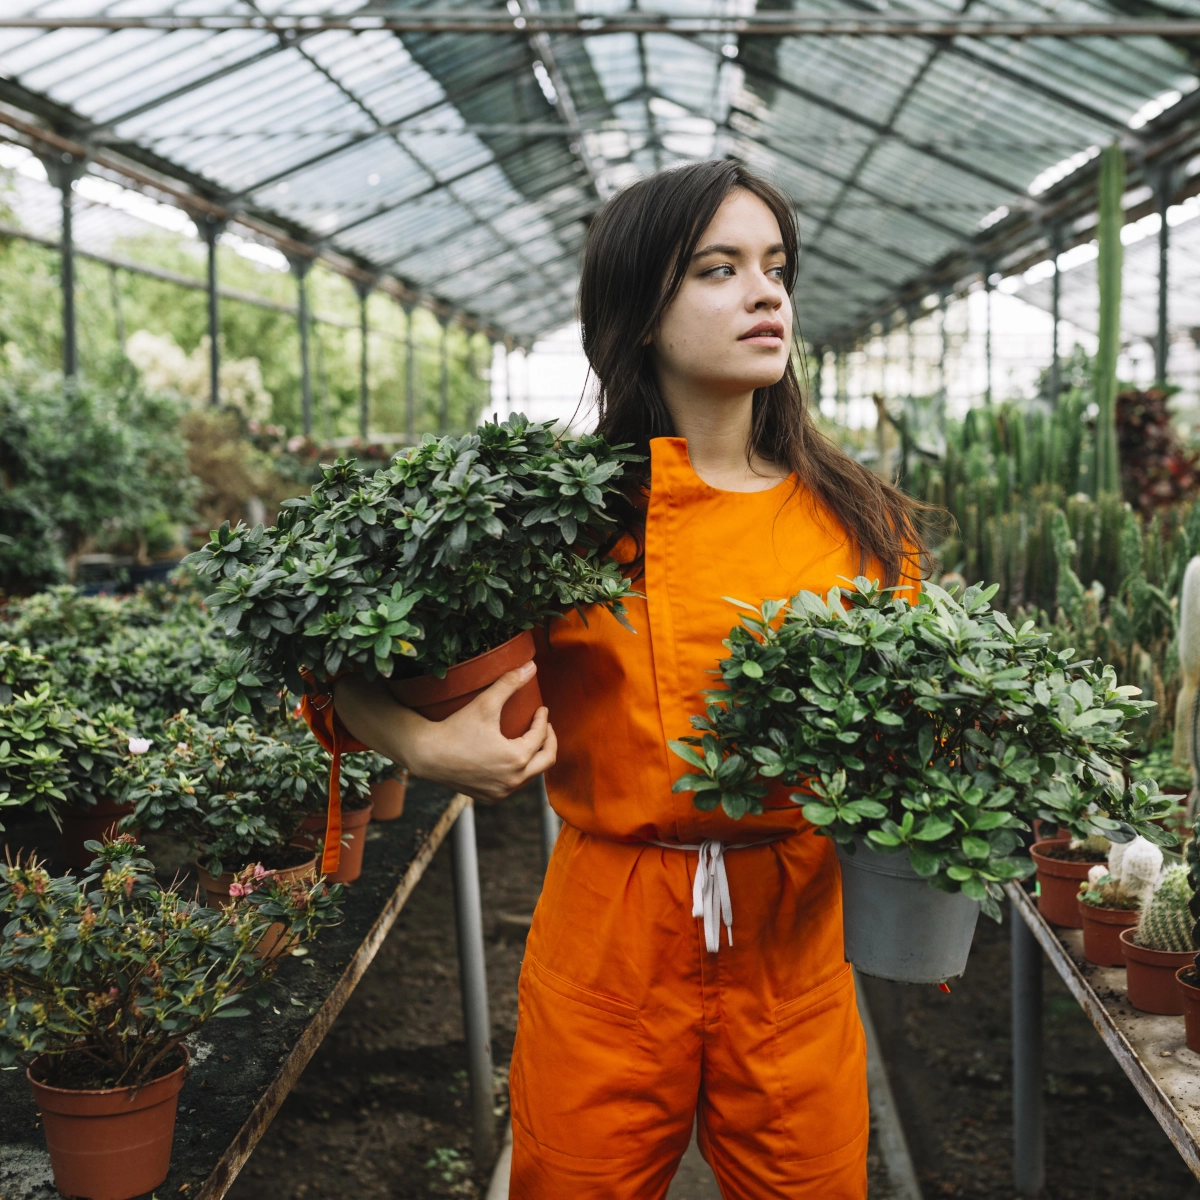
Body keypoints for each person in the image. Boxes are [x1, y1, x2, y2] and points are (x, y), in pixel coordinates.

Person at [335, 160, 924, 1200]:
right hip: (608, 931)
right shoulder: (550, 521)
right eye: (718, 269)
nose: (766, 293)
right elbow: (331, 655)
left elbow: (927, 727)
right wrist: (426, 746)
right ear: (639, 311)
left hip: (793, 936)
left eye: (776, 267)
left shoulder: (860, 525)